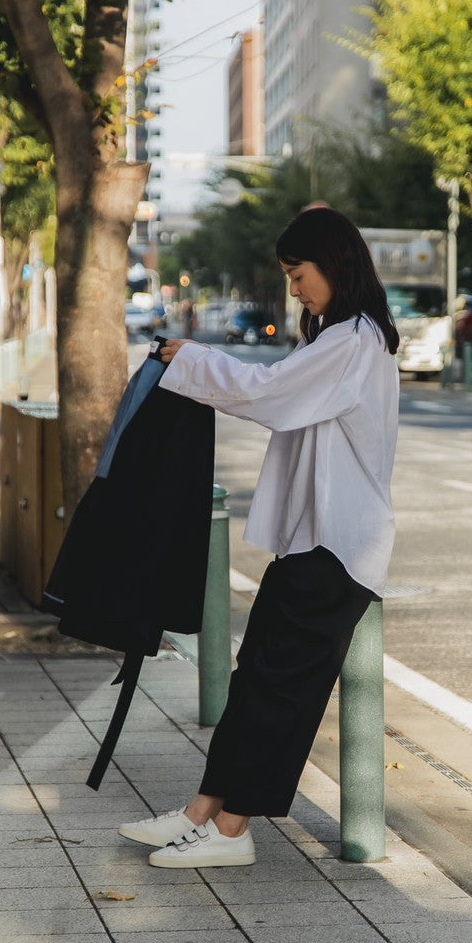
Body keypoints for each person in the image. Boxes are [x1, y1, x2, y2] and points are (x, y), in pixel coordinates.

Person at [117, 205, 400, 868]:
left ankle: (233, 830)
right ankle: (202, 813)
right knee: (255, 682)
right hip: (314, 541)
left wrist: (192, 360)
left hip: (336, 546)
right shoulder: (341, 336)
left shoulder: (353, 341)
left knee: (278, 690)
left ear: (332, 266)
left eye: (298, 274)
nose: (294, 289)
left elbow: (268, 395)